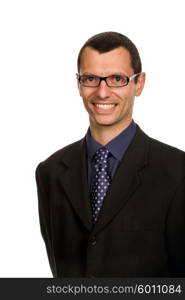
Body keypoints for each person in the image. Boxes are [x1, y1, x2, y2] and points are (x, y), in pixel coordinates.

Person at [35, 31, 185, 277]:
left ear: (139, 84)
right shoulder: (49, 172)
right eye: (91, 78)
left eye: (117, 78)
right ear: (79, 84)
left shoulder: (177, 171)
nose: (102, 92)